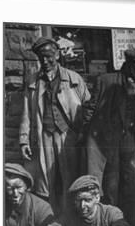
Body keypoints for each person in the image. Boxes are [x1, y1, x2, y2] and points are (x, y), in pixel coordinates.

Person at [84, 48, 135, 226]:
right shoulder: (107, 81)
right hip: (108, 141)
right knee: (110, 185)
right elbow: (90, 109)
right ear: (127, 64)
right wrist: (85, 132)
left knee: (134, 187)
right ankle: (110, 225)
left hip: (132, 141)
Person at [19, 37, 91, 215]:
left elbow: (89, 108)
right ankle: (51, 219)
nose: (45, 61)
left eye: (49, 56)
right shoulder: (32, 82)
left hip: (69, 136)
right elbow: (26, 113)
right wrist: (24, 141)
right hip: (44, 136)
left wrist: (85, 134)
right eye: (41, 57)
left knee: (71, 178)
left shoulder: (74, 79)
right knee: (47, 180)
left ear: (57, 55)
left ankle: (72, 218)